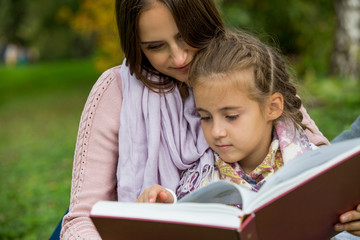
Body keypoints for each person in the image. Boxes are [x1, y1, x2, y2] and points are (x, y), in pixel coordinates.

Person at [60, 0, 331, 238]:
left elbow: (324, 162)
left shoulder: (248, 68)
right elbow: (81, 218)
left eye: (186, 36)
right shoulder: (116, 90)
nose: (179, 58)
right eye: (155, 46)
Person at [137, 30, 360, 238]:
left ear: (272, 108)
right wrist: (164, 208)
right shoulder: (200, 174)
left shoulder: (314, 169)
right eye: (205, 117)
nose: (216, 132)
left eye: (231, 116)